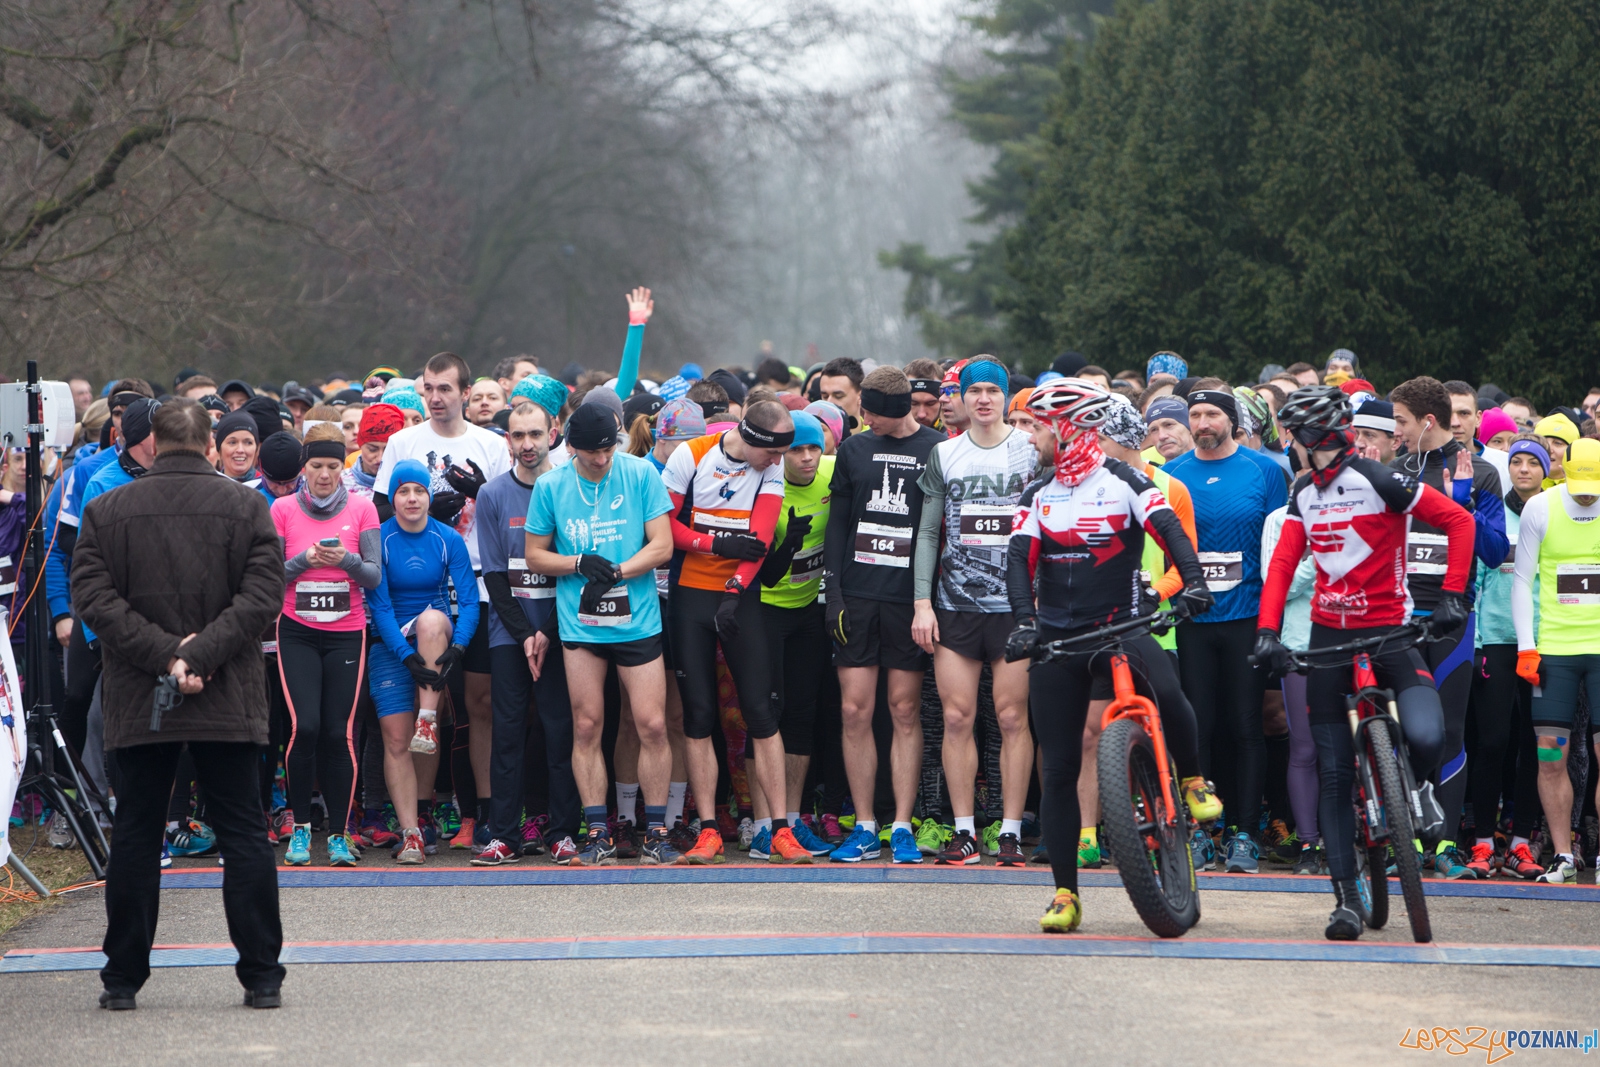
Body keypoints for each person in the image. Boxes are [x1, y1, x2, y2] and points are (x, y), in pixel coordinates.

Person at [73, 397, 287, 1010]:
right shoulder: (247, 506)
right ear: (211, 445)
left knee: (138, 834)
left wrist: (170, 658)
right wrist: (197, 655)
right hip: (226, 691)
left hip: (143, 694)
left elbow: (94, 598)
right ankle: (262, 977)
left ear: (149, 442)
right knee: (244, 831)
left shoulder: (106, 509)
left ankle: (121, 981)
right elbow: (263, 596)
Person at [1257, 386, 1474, 940]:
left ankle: (1414, 790)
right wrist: (1267, 632)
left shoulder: (1378, 480)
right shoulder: (1303, 491)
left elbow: (1459, 522)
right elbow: (1284, 563)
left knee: (1428, 737)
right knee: (1333, 776)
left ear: (1312, 438)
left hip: (1391, 635)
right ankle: (1346, 901)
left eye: (1295, 436)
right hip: (1329, 641)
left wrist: (1453, 596)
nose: (1294, 446)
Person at [1005, 378, 1217, 932]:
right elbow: (1018, 563)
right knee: (1058, 770)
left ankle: (1192, 780)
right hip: (1058, 641)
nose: (1032, 439)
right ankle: (1065, 894)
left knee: (1169, 693)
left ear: (1068, 429)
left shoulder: (1125, 479)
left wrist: (1193, 583)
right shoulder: (1038, 493)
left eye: (1040, 428)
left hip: (1120, 627)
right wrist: (1025, 623)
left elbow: (1171, 533)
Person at [663, 399, 815, 864]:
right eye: (773, 454)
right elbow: (664, 527)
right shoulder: (690, 456)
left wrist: (734, 589)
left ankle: (780, 829)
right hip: (690, 593)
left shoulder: (767, 469)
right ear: (753, 440)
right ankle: (708, 829)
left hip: (739, 597)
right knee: (699, 714)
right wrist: (713, 543)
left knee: (761, 712)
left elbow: (762, 536)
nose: (779, 464)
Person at [525, 405, 677, 865]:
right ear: (570, 446)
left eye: (609, 448)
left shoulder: (639, 473)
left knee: (651, 723)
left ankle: (656, 831)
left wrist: (615, 572)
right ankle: (596, 831)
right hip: (581, 623)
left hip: (637, 619)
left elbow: (663, 545)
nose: (602, 459)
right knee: (587, 725)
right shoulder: (551, 485)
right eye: (592, 452)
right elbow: (534, 556)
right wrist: (576, 564)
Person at [375, 351, 512, 849]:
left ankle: (482, 814)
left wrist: (478, 495)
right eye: (428, 389)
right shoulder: (402, 441)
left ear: (465, 392)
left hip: (476, 583)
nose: (435, 398)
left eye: (445, 389)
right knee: (420, 706)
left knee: (479, 704)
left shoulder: (491, 444)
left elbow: (507, 513)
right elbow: (381, 510)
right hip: (416, 588)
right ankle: (425, 813)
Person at [911, 357, 1037, 866]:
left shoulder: (1030, 451)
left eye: (991, 389)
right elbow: (927, 531)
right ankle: (963, 829)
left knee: (1010, 717)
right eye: (973, 390)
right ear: (959, 397)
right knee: (958, 717)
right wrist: (922, 603)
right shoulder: (945, 452)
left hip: (1013, 606)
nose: (983, 398)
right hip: (955, 606)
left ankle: (1008, 829)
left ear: (1005, 395)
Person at [1164, 383, 1288, 873]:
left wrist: (1272, 620)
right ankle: (1200, 831)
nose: (1202, 424)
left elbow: (1278, 542)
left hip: (1247, 615)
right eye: (1195, 415)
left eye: (1212, 414)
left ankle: (1244, 831)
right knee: (1198, 726)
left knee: (1245, 725)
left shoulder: (1265, 471)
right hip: (1192, 619)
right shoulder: (1171, 474)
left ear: (1232, 421)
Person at [823, 367, 945, 864]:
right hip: (857, 595)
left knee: (903, 710)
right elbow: (837, 527)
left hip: (906, 600)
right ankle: (866, 824)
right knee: (854, 711)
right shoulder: (853, 449)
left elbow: (938, 531)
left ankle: (901, 825)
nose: (861, 417)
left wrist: (927, 601)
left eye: (867, 410)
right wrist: (833, 596)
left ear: (889, 410)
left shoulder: (936, 449)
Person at [1390, 375, 1508, 878]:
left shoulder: (1480, 472)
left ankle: (1443, 847)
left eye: (1399, 422)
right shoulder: (1394, 470)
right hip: (1399, 617)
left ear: (1426, 421)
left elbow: (1497, 551)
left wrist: (1465, 505)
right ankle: (1408, 842)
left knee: (1452, 730)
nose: (1394, 431)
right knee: (1405, 732)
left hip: (1453, 617)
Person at [472, 402, 582, 865]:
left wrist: (547, 634)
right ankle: (504, 835)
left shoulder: (571, 487)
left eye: (536, 434)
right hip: (509, 632)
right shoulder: (492, 494)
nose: (528, 444)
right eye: (518, 436)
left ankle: (562, 832)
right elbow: (495, 575)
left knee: (561, 731)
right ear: (507, 439)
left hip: (564, 629)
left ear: (554, 432)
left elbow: (574, 573)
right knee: (508, 733)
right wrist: (524, 635)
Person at [271, 424, 382, 866]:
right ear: (304, 467)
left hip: (346, 632)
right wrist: (305, 560)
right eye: (316, 466)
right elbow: (270, 574)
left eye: (333, 466)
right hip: (296, 629)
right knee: (306, 728)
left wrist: (346, 560)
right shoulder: (281, 509)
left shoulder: (363, 509)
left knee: (339, 732)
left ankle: (338, 834)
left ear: (343, 467)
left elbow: (373, 575)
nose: (324, 475)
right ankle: (300, 829)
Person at [365, 459, 480, 863]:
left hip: (433, 640)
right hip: (391, 643)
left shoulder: (448, 538)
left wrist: (460, 646)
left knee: (433, 618)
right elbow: (378, 607)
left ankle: (428, 720)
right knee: (396, 739)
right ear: (392, 498)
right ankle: (410, 832)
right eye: (403, 492)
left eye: (419, 491)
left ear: (429, 497)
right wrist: (403, 654)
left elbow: (467, 600)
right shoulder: (378, 539)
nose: (412, 499)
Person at [1511, 438, 1600, 886]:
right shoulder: (1541, 508)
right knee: (1551, 756)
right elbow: (1521, 581)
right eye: (1581, 485)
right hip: (1555, 653)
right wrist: (1527, 646)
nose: (1588, 493)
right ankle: (1563, 855)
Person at [749, 410, 837, 859]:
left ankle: (793, 820)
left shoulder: (831, 471)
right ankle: (763, 825)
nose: (806, 458)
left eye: (813, 448)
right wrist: (786, 547)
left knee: (801, 715)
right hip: (763, 610)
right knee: (765, 716)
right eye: (796, 450)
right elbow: (762, 574)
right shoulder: (766, 484)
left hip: (807, 610)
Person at [344, 403, 403, 502]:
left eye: (387, 450)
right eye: (372, 449)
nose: (380, 458)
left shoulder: (410, 484)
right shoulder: (340, 484)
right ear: (360, 444)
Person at [214, 412, 260, 484]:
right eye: (232, 442)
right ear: (219, 450)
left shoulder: (271, 488)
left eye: (248, 442)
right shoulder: (208, 488)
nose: (240, 450)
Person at [1143, 396, 1192, 463]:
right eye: (1154, 430)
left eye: (1168, 425)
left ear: (1190, 425)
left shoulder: (1211, 465)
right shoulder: (1148, 472)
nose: (1161, 436)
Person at [817, 357, 864, 423]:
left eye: (838, 396)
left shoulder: (875, 432)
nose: (829, 402)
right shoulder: (816, 433)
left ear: (860, 397)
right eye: (825, 396)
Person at [1352, 399, 1398, 464]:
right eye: (1356, 434)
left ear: (1395, 442)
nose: (1358, 444)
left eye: (1369, 435)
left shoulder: (1410, 472)